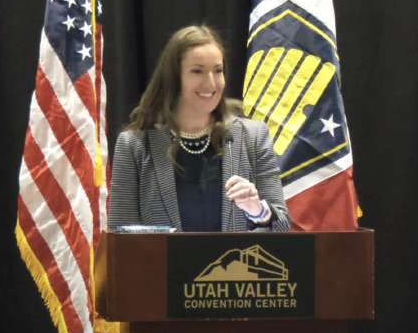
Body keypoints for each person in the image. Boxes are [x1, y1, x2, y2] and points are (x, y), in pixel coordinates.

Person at [109, 25, 290, 232]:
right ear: (174, 77)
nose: (211, 82)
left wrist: (258, 210)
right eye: (197, 71)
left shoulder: (253, 136)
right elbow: (120, 237)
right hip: (162, 265)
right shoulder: (134, 145)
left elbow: (282, 226)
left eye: (218, 70)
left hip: (234, 265)